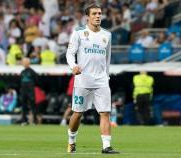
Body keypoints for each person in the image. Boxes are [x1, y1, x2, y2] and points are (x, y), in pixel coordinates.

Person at [66, 2, 119, 154]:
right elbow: (70, 53)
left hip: (101, 80)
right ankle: (71, 141)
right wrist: (73, 66)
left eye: (99, 14)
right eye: (94, 14)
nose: (97, 16)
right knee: (77, 114)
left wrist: (106, 76)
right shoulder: (79, 33)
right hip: (82, 80)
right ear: (87, 17)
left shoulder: (107, 35)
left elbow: (107, 58)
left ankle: (106, 146)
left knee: (105, 113)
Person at [20, 58, 38, 125]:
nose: (23, 64)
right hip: (23, 92)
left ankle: (34, 121)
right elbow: (20, 82)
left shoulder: (32, 72)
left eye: (24, 62)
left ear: (28, 63)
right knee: (24, 107)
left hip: (30, 92)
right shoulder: (22, 72)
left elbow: (37, 80)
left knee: (33, 106)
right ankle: (24, 121)